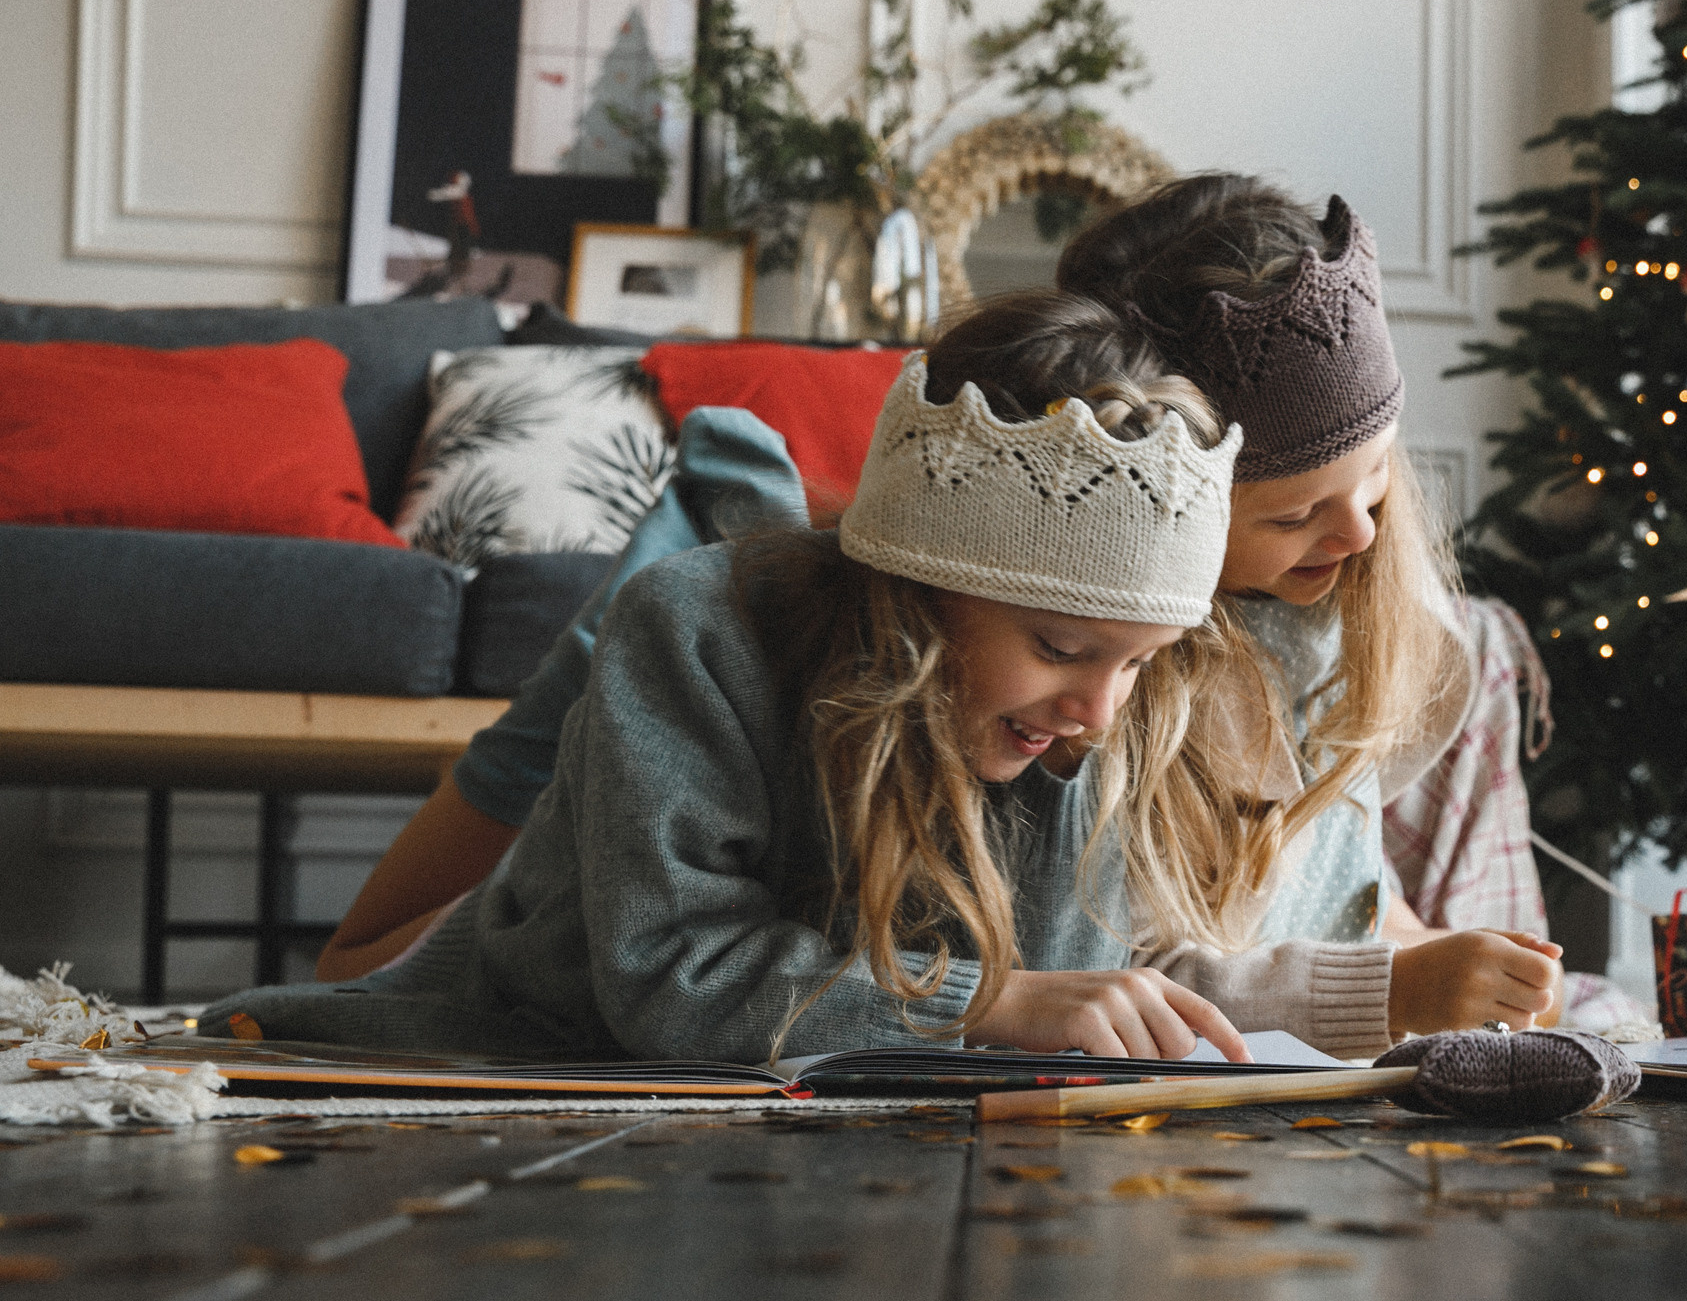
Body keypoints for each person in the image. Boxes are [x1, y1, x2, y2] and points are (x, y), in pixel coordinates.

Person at [206, 293, 1249, 1063]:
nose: (1098, 710)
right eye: (1061, 649)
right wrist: (982, 1007)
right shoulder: (689, 630)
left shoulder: (1084, 718)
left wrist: (1054, 797)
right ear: (914, 593)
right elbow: (669, 979)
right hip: (546, 1030)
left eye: (1138, 662)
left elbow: (1047, 986)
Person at [1057, 177, 1590, 1044]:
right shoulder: (1112, 685)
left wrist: (1441, 952)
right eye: (1295, 514)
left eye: (1376, 475)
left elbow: (1349, 895)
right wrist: (1391, 989)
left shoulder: (1337, 631)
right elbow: (1127, 980)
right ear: (1177, 507)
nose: (1357, 532)